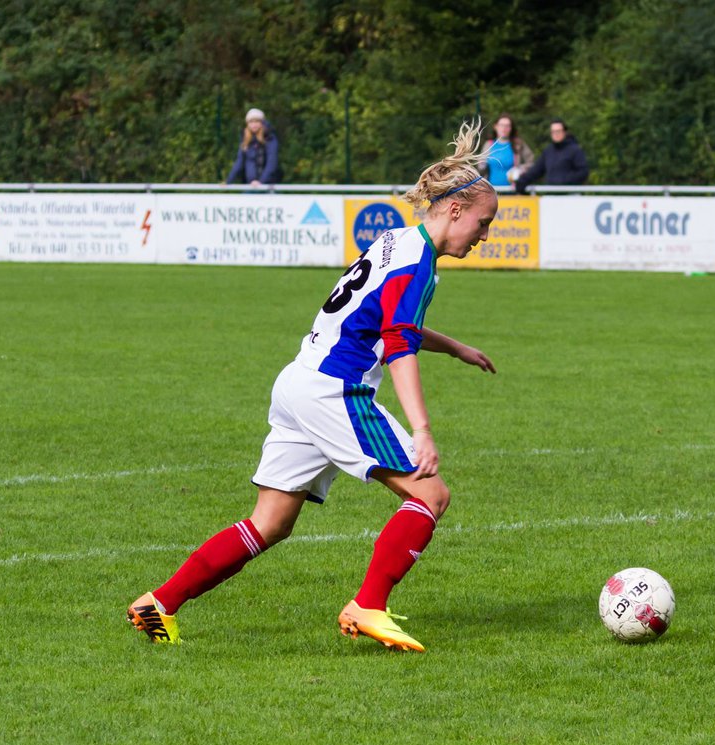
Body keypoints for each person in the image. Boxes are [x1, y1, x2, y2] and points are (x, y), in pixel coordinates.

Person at [128, 122, 499, 651]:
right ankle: (367, 606)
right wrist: (421, 428)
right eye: (483, 223)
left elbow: (379, 316)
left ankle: (158, 602)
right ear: (456, 209)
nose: (484, 236)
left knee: (270, 523)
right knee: (430, 494)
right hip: (334, 390)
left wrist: (455, 346)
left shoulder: (395, 242)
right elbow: (397, 346)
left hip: (297, 381)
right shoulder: (418, 264)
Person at [513, 119, 589, 192]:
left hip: (570, 195)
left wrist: (563, 181)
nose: (556, 134)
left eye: (558, 131)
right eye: (553, 131)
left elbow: (583, 172)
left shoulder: (575, 150)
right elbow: (536, 170)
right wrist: (522, 181)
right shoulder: (548, 151)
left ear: (564, 132)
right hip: (551, 195)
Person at [226, 107, 281, 186]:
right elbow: (239, 162)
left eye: (257, 121)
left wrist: (261, 182)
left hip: (267, 186)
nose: (254, 125)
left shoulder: (270, 138)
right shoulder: (245, 139)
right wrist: (228, 181)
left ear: (262, 122)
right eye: (251, 122)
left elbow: (272, 163)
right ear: (247, 124)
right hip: (251, 186)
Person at [480, 113, 535, 189]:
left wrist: (521, 169)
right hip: (491, 192)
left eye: (507, 126)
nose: (504, 128)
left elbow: (531, 163)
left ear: (511, 128)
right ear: (496, 126)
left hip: (513, 192)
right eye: (502, 125)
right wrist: (481, 165)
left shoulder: (518, 144)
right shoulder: (488, 144)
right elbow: (480, 168)